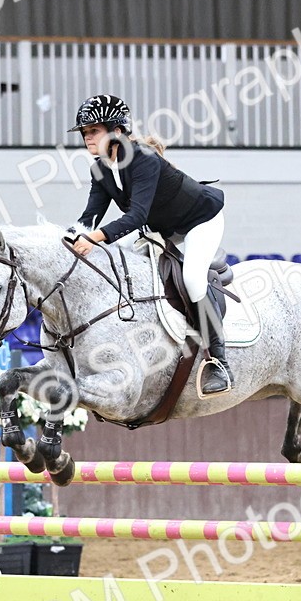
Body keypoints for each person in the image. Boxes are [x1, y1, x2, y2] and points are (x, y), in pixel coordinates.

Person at [67, 94, 231, 397]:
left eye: (93, 131)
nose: (87, 138)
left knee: (193, 279)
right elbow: (90, 216)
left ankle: (218, 361)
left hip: (199, 221)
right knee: (120, 260)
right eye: (85, 133)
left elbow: (136, 215)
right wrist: (67, 238)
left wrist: (93, 238)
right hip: (161, 226)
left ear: (116, 131)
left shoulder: (142, 157)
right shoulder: (100, 169)